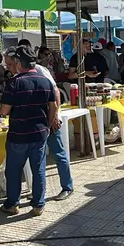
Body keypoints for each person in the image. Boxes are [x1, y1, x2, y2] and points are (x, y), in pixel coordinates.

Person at [0, 46, 57, 216]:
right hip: (39, 134)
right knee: (38, 169)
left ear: (18, 63)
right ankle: (38, 204)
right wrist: (47, 126)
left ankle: (12, 204)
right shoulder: (45, 80)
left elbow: (4, 111)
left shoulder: (15, 83)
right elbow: (53, 107)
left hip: (18, 135)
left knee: (13, 170)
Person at [31, 50, 73, 201]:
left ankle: (67, 186)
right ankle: (37, 192)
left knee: (58, 152)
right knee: (38, 158)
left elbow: (55, 92)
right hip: (36, 121)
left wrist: (54, 117)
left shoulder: (40, 70)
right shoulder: (18, 74)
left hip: (49, 118)